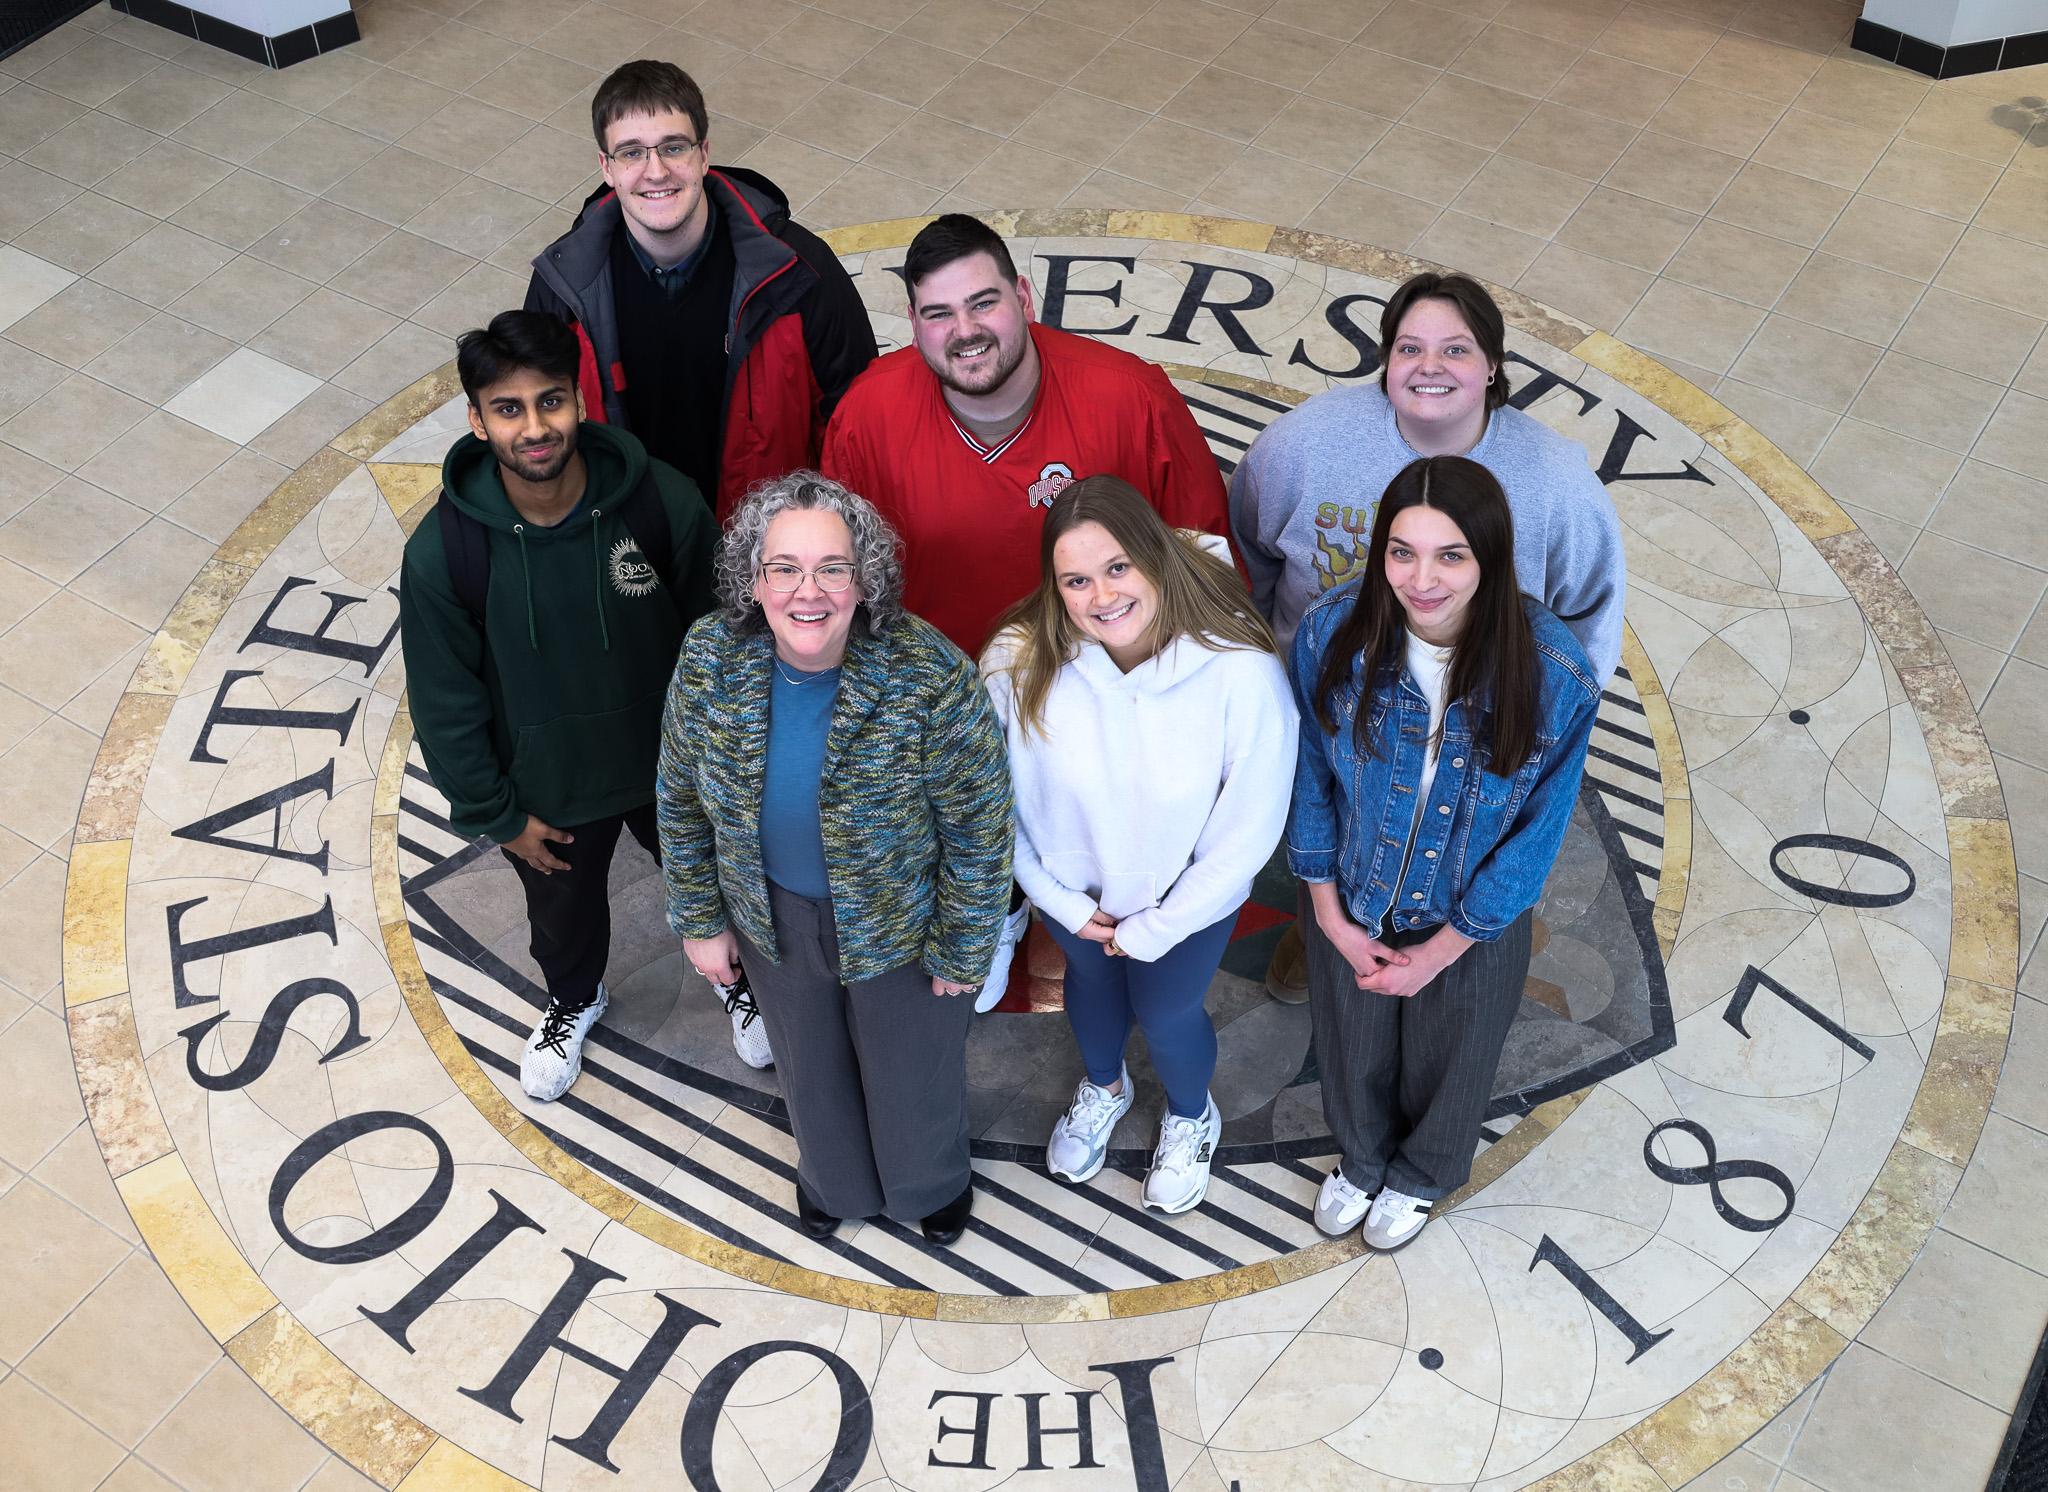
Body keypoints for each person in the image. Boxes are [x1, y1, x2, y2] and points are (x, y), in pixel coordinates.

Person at [822, 211, 1233, 1003]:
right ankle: (996, 915)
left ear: (1024, 296)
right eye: (938, 314)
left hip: (1100, 686)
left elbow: (1203, 552)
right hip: (950, 693)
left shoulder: (1128, 395)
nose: (965, 331)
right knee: (968, 827)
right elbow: (847, 578)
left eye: (984, 304)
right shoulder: (869, 415)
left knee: (1093, 851)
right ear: (912, 324)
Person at [1232, 270, 1624, 1006]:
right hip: (1331, 708)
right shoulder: (1305, 442)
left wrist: (1544, 725)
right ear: (1384, 356)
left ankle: (1458, 952)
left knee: (1460, 853)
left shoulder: (1556, 481)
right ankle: (1311, 928)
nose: (1431, 367)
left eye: (1456, 349)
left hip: (1477, 719)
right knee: (1324, 825)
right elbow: (1246, 550)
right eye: (1410, 347)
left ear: (1493, 366)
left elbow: (1592, 616)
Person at [656, 472, 1013, 1246]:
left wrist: (964, 943)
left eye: (832, 568)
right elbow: (679, 795)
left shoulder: (929, 673)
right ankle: (834, 1181)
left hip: (902, 927)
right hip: (768, 916)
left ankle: (930, 1183)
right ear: (753, 579)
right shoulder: (711, 654)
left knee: (911, 1070)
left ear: (865, 579)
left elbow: (982, 826)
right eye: (783, 567)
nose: (805, 592)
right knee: (807, 1066)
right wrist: (698, 917)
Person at [398, 310, 723, 1102]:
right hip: (550, 790)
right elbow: (444, 700)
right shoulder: (446, 553)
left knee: (714, 883)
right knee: (563, 924)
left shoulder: (660, 504)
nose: (535, 427)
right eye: (508, 409)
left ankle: (737, 977)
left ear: (579, 403)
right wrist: (496, 814)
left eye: (550, 401)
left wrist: (723, 769)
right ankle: (575, 999)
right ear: (477, 421)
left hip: (668, 771)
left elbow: (724, 644)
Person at [1289, 456, 1599, 1252]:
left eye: (1450, 555)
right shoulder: (1331, 632)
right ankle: (1361, 1160)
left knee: (1453, 1056)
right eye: (1402, 551)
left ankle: (1424, 1173)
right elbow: (1311, 775)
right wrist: (1326, 911)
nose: (1420, 579)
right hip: (1353, 890)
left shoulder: (1558, 672)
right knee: (1351, 1040)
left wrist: (1442, 952)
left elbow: (1537, 835)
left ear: (1490, 559)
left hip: (1471, 915)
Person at [981, 477, 1297, 1213]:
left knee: (1166, 1013)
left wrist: (1161, 925)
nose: (1102, 596)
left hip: (1188, 903)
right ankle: (1104, 1088)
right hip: (1071, 897)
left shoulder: (1239, 668)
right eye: (1077, 580)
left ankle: (1191, 1118)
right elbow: (994, 802)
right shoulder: (1015, 658)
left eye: (1118, 567)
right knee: (1090, 989)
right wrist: (1057, 899)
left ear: (1156, 556)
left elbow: (1248, 828)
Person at [525, 60, 876, 521]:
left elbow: (855, 423)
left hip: (767, 549)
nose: (656, 172)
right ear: (606, 168)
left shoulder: (801, 272)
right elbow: (533, 429)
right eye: (631, 153)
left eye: (674, 147)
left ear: (704, 154)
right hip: (622, 543)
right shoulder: (563, 284)